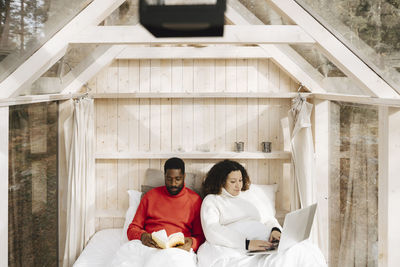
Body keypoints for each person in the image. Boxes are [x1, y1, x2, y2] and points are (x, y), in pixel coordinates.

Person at [197, 159, 327, 267]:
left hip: (264, 243)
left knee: (307, 250)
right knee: (287, 257)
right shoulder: (212, 200)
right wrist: (247, 244)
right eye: (233, 181)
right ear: (220, 182)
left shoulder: (247, 198)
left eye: (240, 180)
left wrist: (275, 230)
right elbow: (212, 229)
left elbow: (268, 219)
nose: (238, 186)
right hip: (239, 247)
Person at [110, 157, 205, 267]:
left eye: (178, 179)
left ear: (184, 177)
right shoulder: (150, 196)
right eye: (169, 179)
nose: (173, 184)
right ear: (164, 176)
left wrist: (191, 243)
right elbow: (132, 228)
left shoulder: (195, 200)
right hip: (148, 246)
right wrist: (143, 236)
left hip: (177, 250)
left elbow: (201, 236)